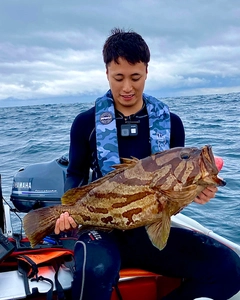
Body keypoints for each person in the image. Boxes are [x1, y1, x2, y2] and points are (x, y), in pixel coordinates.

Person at [55, 28, 240, 300]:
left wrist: (197, 192)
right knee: (96, 269)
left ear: (146, 72)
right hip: (102, 230)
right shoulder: (86, 123)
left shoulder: (171, 124)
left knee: (230, 268)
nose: (127, 87)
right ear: (106, 72)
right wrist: (65, 212)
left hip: (151, 229)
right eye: (118, 78)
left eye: (135, 77)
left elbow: (173, 192)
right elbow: (75, 174)